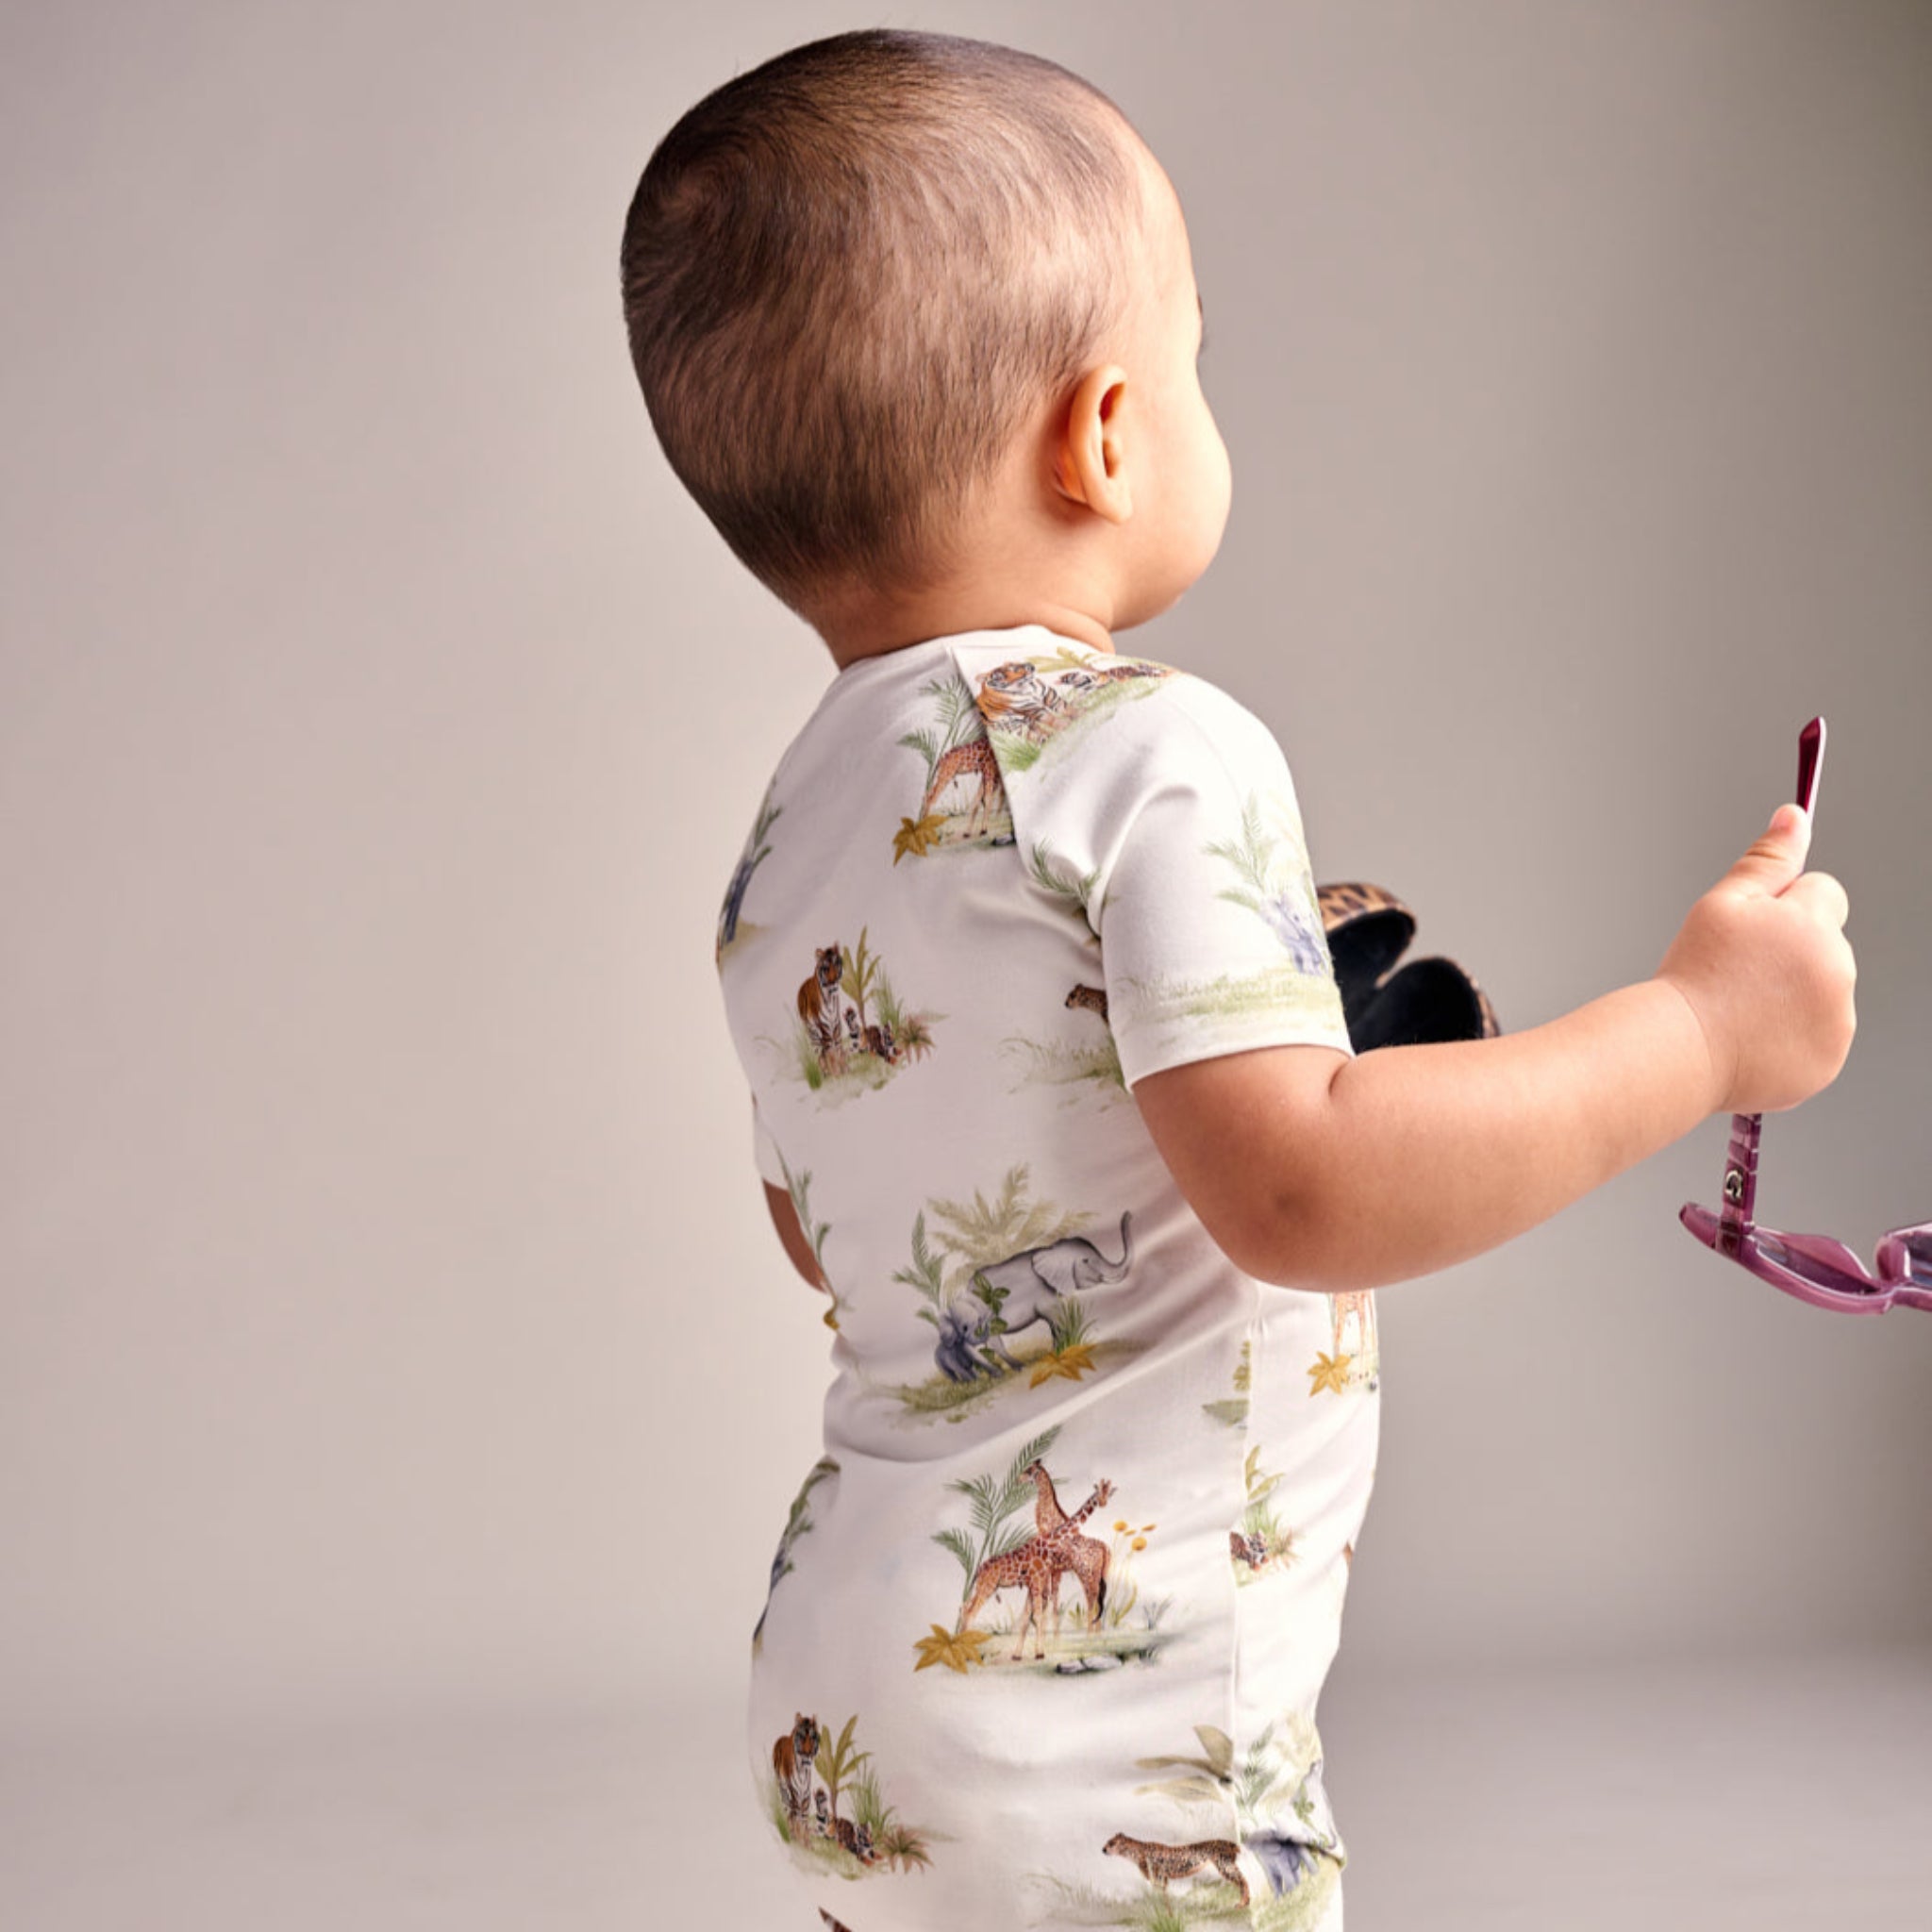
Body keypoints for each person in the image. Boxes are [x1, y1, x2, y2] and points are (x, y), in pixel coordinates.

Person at [619, 29, 1855, 1932]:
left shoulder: (794, 826)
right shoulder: (1158, 748)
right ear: (1101, 430)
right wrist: (1696, 1029)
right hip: (1109, 1732)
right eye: (1195, 355)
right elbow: (1305, 1187)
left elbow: (847, 1233)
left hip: (858, 1696)